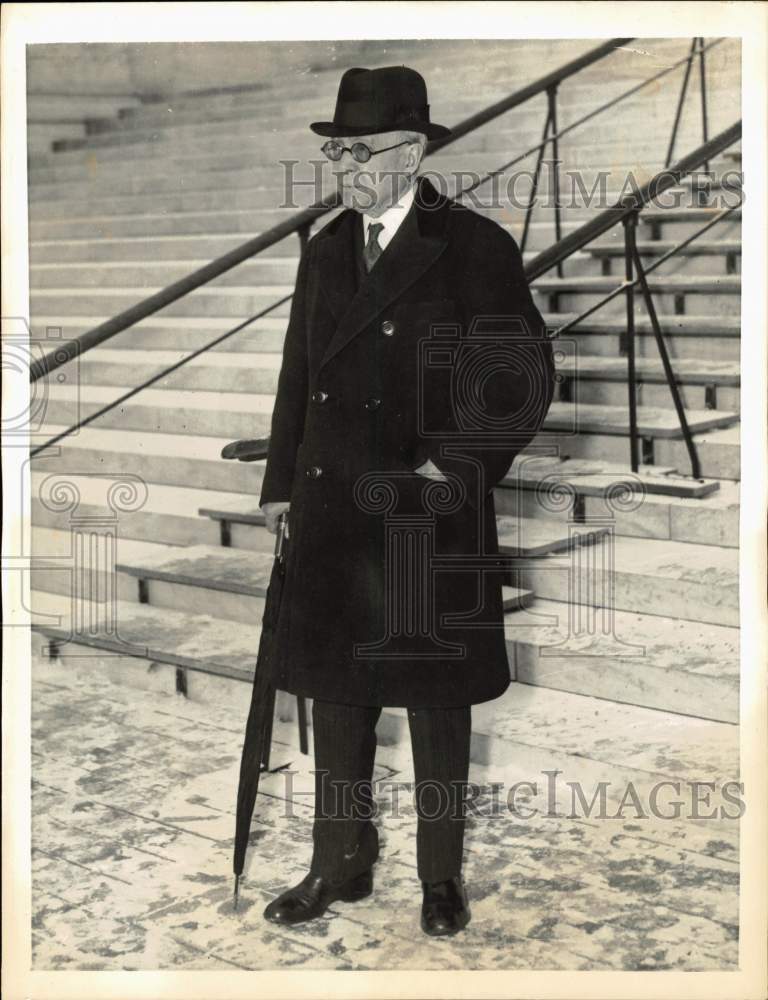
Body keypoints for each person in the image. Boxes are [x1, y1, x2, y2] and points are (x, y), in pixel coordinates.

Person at [258, 65, 554, 935]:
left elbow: (521, 374)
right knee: (336, 694)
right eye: (335, 150)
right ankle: (338, 862)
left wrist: (453, 468)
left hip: (425, 513)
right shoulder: (322, 250)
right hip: (333, 511)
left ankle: (439, 876)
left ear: (414, 150)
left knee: (434, 700)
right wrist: (281, 487)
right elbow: (296, 378)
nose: (344, 166)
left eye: (361, 150)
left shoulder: (472, 246)